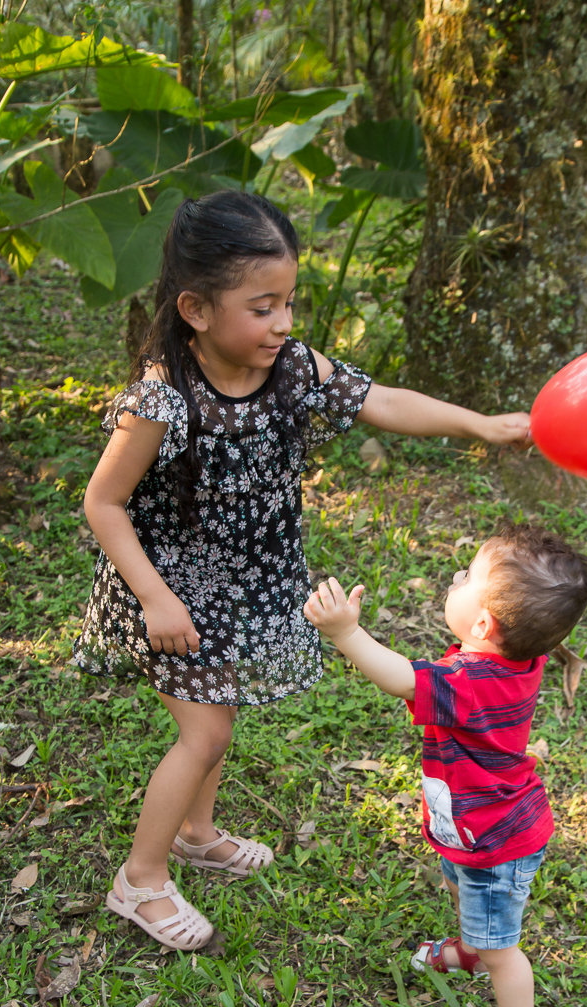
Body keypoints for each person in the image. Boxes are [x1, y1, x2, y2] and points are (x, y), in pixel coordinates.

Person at [73, 191, 532, 952]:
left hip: (243, 584)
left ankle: (197, 834)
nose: (284, 322)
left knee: (220, 712)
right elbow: (103, 503)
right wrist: (155, 598)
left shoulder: (291, 367)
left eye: (288, 302)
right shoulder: (163, 399)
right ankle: (141, 880)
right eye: (263, 308)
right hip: (168, 590)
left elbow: (383, 401)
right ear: (195, 309)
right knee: (205, 734)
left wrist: (478, 425)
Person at [304, 522, 587, 1007]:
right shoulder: (521, 657)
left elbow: (401, 679)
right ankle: (470, 947)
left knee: (502, 949)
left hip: (495, 842)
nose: (455, 577)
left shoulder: (471, 684)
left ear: (483, 624)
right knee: (461, 891)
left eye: (467, 578)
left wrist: (346, 632)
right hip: (471, 826)